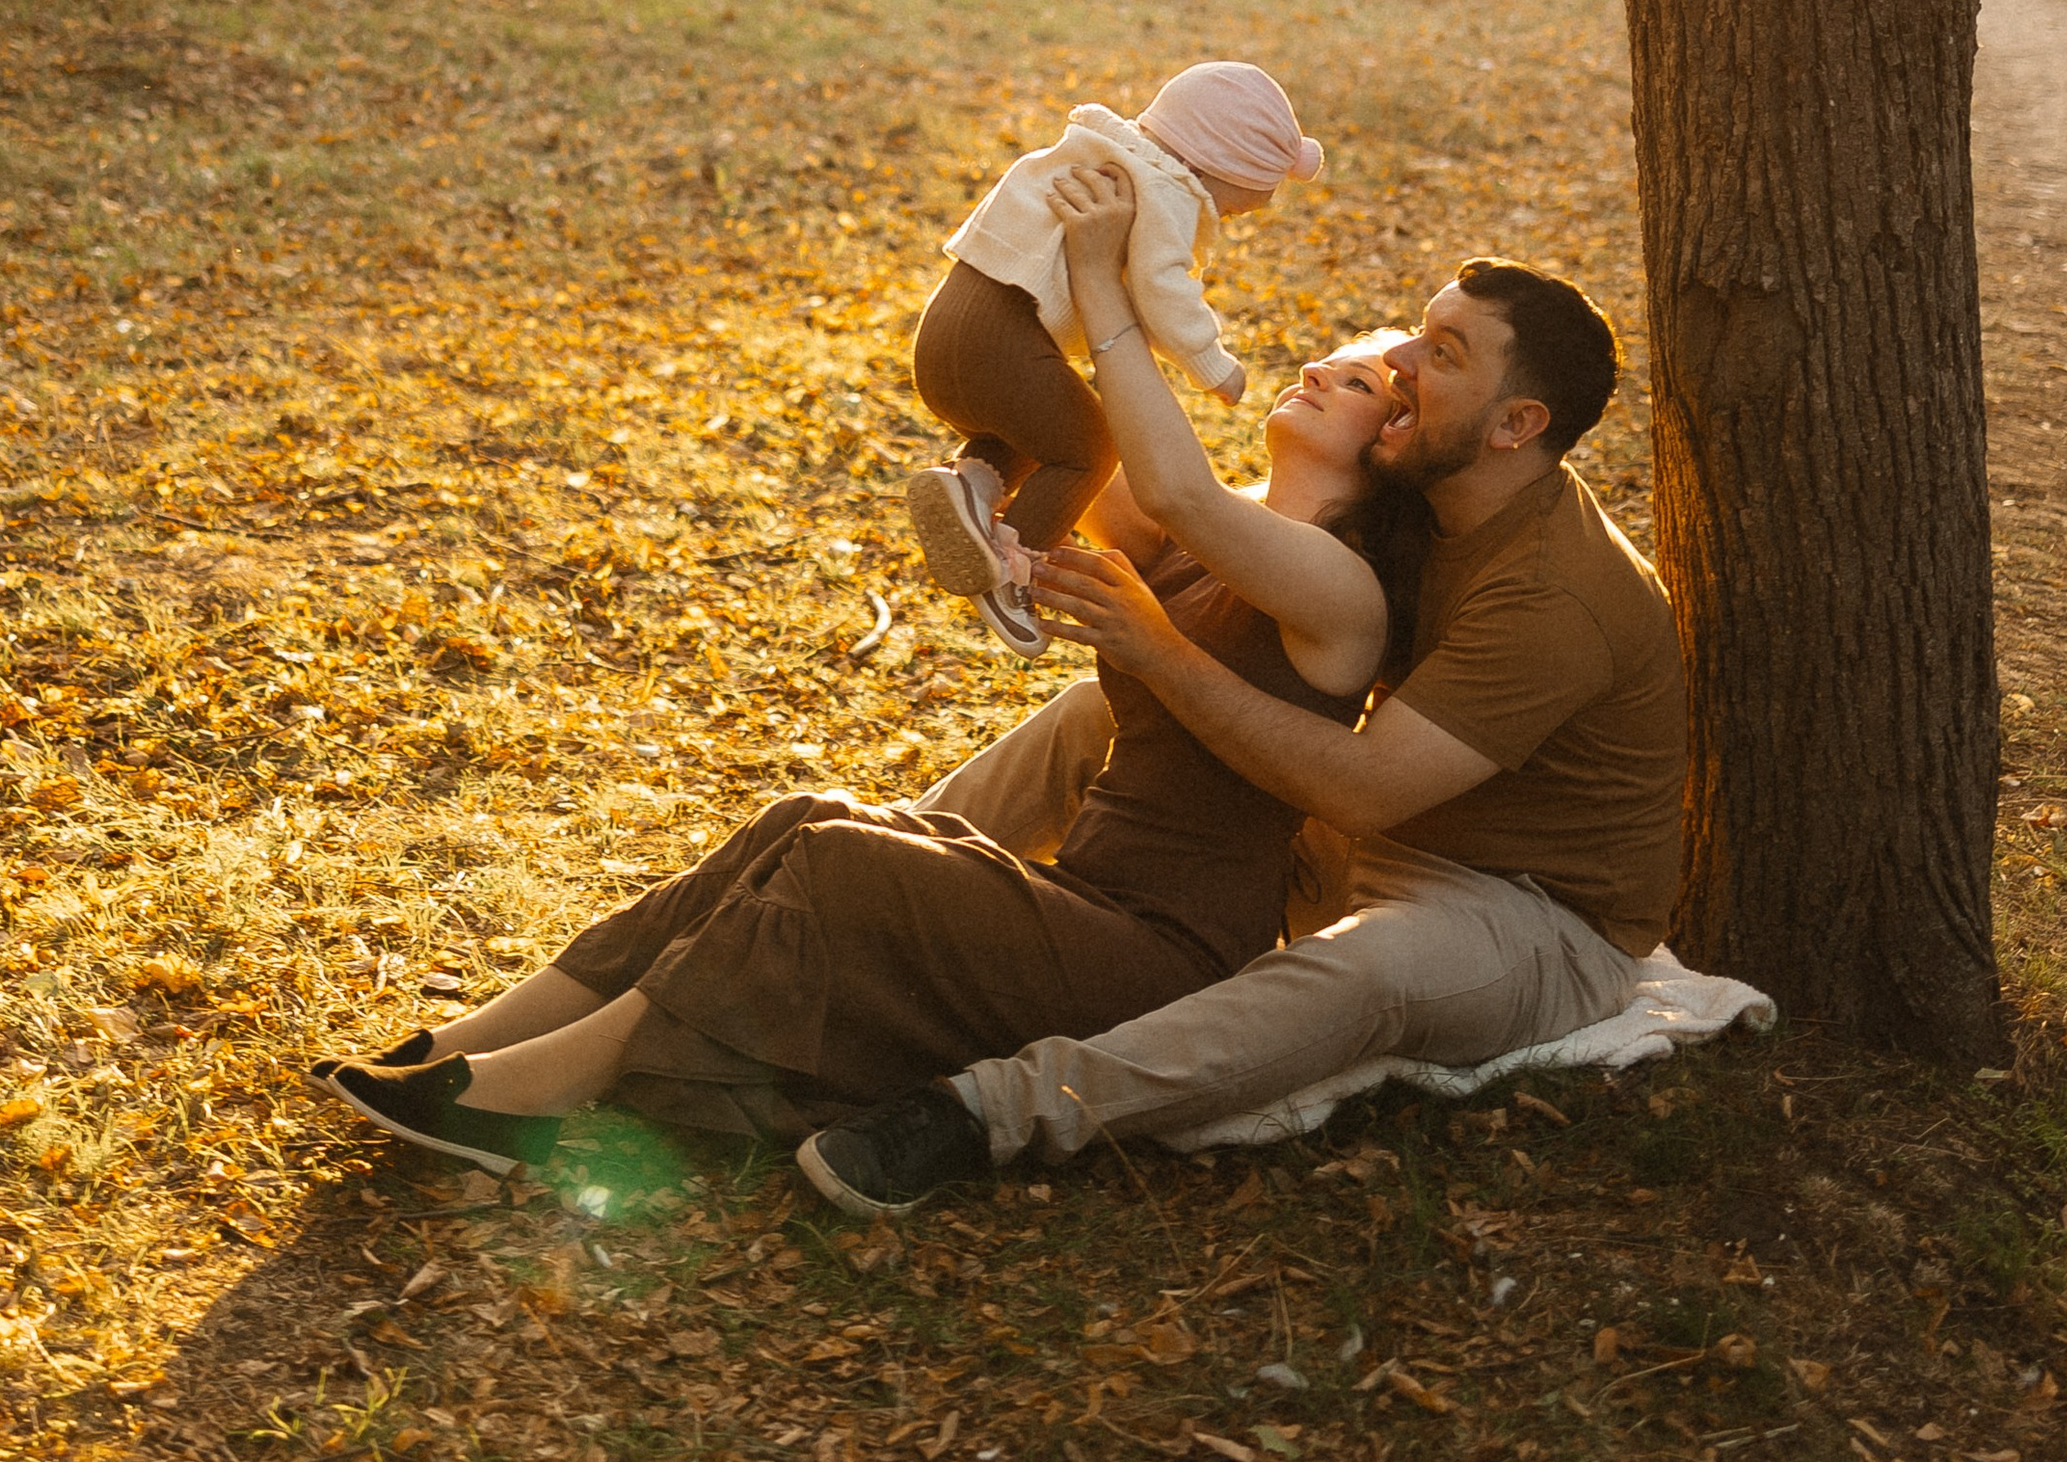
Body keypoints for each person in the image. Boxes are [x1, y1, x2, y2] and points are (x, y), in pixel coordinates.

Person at [306, 320, 1408, 1180]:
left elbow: (1171, 487)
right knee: (804, 817)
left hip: (1163, 959)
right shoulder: (1207, 530)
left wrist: (1153, 639)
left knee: (846, 861)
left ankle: (532, 1099)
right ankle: (464, 1047)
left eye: (1357, 383)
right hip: (1085, 905)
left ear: (1391, 448)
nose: (1319, 368)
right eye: (1335, 357)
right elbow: (1082, 423)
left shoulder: (1338, 586)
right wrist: (1089, 252)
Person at [795, 181, 1687, 1219]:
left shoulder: (1551, 592)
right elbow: (1170, 505)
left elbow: (1362, 789)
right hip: (1367, 843)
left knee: (1375, 970)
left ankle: (984, 1112)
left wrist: (1163, 653)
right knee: (1099, 719)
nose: (1399, 365)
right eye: (1416, 337)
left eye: (1441, 356)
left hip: (1527, 914)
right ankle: (858, 889)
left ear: (1516, 424)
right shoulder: (1413, 490)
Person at [904, 59, 1324, 656]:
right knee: (1093, 446)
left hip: (948, 331)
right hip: (999, 339)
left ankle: (971, 486)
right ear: (1212, 166)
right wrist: (1213, 366)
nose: (1223, 222)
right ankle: (1008, 569)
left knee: (1048, 424)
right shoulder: (1166, 191)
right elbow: (1161, 288)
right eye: (1230, 209)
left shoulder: (1091, 150)